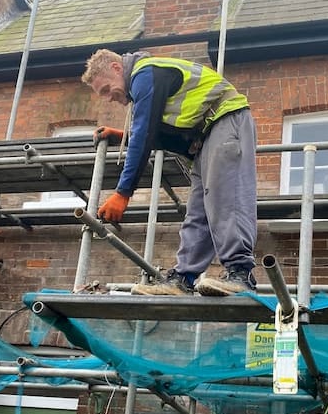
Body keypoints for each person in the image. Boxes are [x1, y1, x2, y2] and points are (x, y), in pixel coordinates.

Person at [81, 49, 258, 296]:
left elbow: (144, 133)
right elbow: (152, 131)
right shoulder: (145, 81)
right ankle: (183, 278)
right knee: (198, 212)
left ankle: (241, 273)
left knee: (225, 198)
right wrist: (125, 136)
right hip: (205, 138)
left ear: (116, 68)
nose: (109, 97)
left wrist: (123, 193)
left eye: (106, 89)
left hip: (225, 121)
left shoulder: (146, 73)